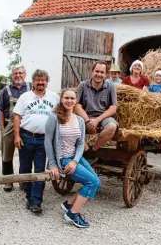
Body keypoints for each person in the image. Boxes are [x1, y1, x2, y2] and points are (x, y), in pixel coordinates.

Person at [45, 89, 100, 228]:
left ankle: (68, 204)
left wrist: (75, 161)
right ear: (61, 99)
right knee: (92, 183)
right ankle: (72, 214)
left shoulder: (80, 120)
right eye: (66, 98)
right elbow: (47, 141)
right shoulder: (54, 117)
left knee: (95, 182)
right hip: (63, 159)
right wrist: (52, 165)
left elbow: (81, 143)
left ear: (76, 101)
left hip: (75, 158)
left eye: (72, 98)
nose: (69, 101)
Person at [13, 69, 59, 214]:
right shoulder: (25, 97)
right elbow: (17, 117)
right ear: (33, 82)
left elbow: (61, 114)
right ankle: (29, 196)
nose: (40, 82)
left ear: (47, 82)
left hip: (44, 139)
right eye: (38, 80)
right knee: (25, 168)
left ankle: (36, 202)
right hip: (26, 137)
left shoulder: (54, 97)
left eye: (43, 80)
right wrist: (16, 136)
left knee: (39, 170)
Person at [0, 65, 32, 192]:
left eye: (20, 73)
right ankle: (8, 181)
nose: (18, 75)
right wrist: (2, 129)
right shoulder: (6, 90)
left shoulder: (31, 87)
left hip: (26, 126)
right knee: (7, 155)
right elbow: (1, 109)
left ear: (25, 74)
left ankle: (22, 181)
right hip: (9, 125)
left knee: (25, 156)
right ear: (12, 75)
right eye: (15, 73)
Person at [74, 61, 118, 156]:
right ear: (92, 72)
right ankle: (85, 149)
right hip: (85, 117)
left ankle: (93, 151)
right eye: (97, 71)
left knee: (112, 126)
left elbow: (113, 108)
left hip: (103, 118)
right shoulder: (83, 85)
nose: (99, 74)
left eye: (102, 72)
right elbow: (76, 105)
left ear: (106, 74)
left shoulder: (111, 87)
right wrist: (87, 121)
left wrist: (97, 120)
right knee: (70, 126)